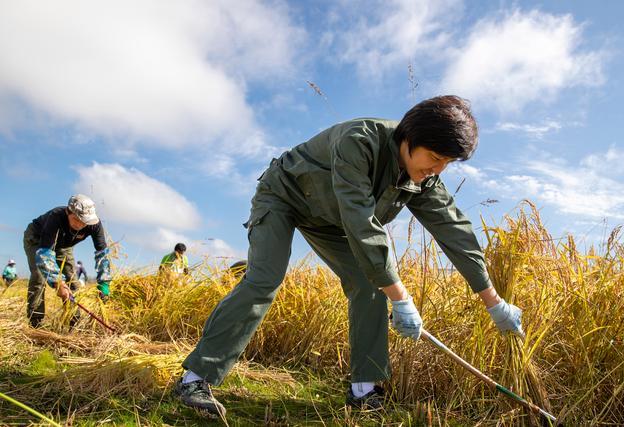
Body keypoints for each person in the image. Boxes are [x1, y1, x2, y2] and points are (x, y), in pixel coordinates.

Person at [175, 96, 524, 417]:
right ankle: (195, 379)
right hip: (284, 196)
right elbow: (361, 221)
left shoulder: (424, 179)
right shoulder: (359, 141)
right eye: (434, 157)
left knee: (370, 284)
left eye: (447, 163)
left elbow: (456, 233)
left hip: (330, 219)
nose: (437, 169)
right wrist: (401, 299)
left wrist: (494, 304)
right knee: (265, 279)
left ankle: (364, 391)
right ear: (409, 138)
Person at [23, 194, 112, 328]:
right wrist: (58, 283)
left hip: (63, 246)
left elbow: (102, 254)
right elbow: (45, 254)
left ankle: (73, 319)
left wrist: (104, 283)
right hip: (38, 240)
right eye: (77, 219)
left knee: (72, 281)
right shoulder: (56, 217)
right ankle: (36, 320)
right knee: (39, 276)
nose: (81, 224)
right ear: (68, 212)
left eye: (84, 221)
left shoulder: (94, 225)